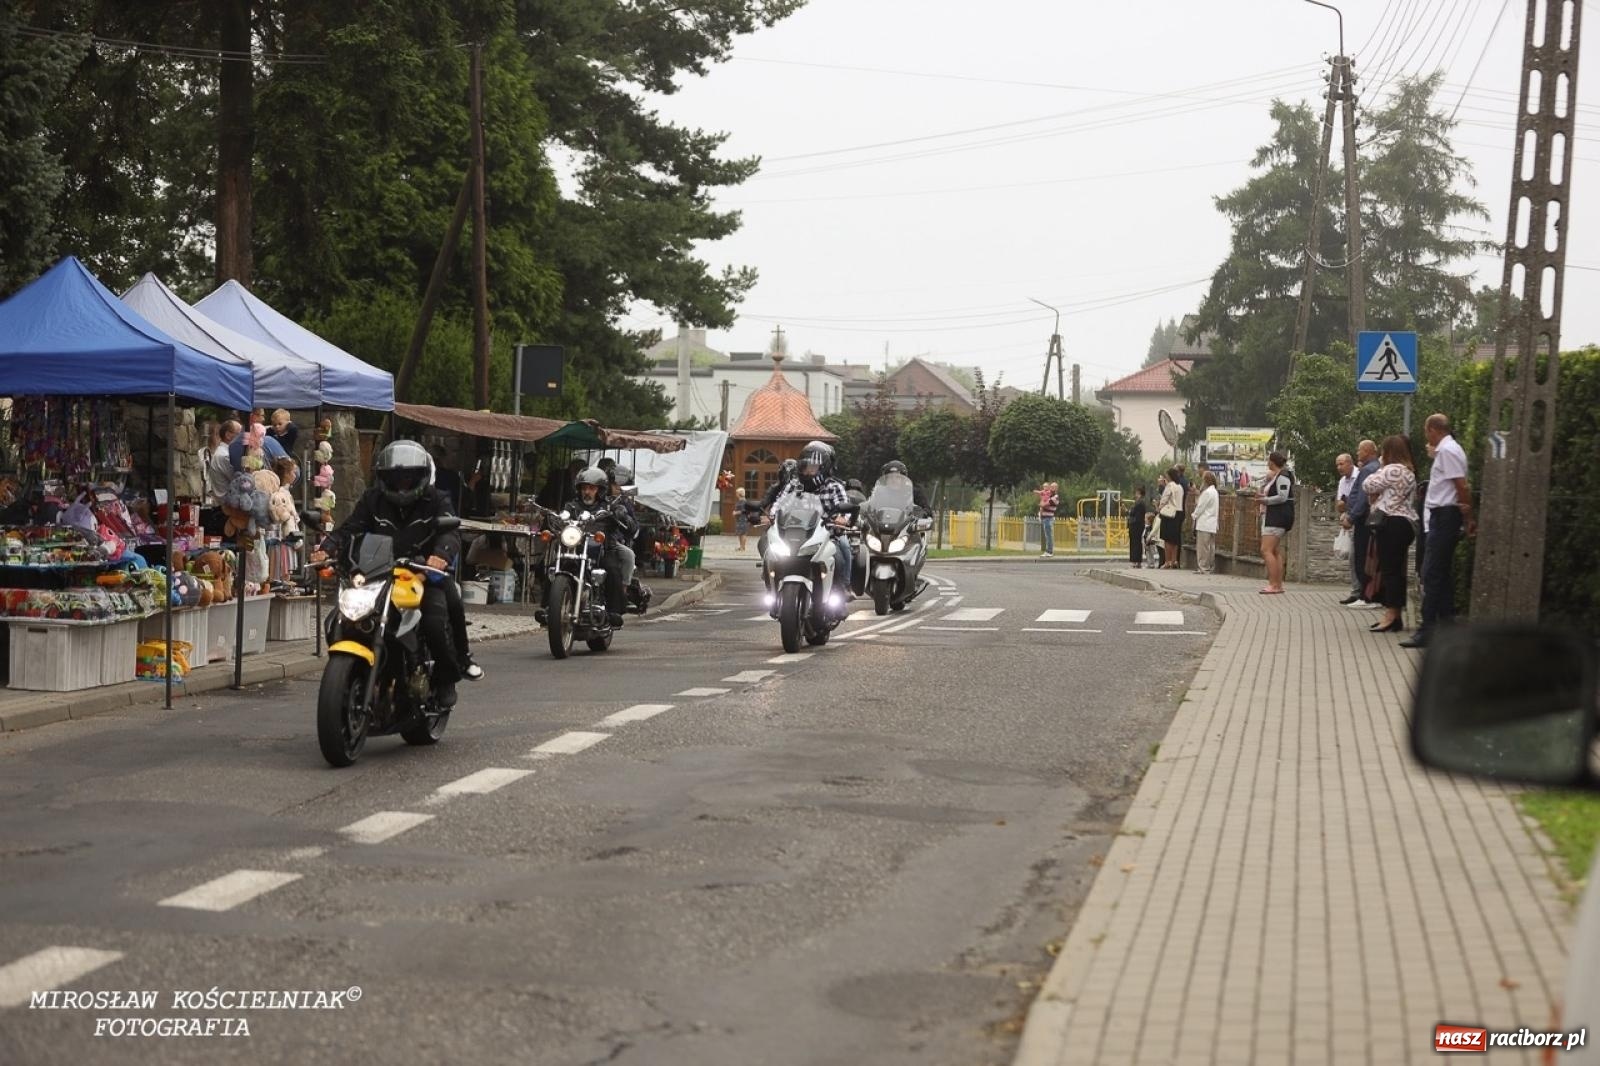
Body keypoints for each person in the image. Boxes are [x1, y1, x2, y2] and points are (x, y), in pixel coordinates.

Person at [312, 441, 475, 708]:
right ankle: (360, 676)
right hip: (377, 575)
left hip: (422, 574)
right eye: (395, 477)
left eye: (408, 477)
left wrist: (441, 555)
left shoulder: (436, 499)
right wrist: (326, 548)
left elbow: (450, 531)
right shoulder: (372, 499)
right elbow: (350, 528)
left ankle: (447, 676)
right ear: (383, 477)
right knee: (339, 619)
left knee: (435, 621)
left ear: (421, 476)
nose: (402, 484)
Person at [1403, 414, 1474, 648]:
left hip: (1445, 516)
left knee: (1431, 572)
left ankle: (1428, 629)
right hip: (1441, 516)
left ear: (1433, 430)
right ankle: (1447, 625)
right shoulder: (1446, 451)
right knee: (1441, 573)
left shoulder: (1448, 451)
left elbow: (1461, 486)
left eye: (1427, 431)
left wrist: (1467, 516)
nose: (1426, 436)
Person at [772, 441, 853, 601]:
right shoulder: (795, 485)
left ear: (824, 467)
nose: (808, 470)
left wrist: (843, 518)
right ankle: (774, 589)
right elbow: (781, 502)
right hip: (798, 532)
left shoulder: (834, 486)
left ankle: (842, 588)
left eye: (813, 467)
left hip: (828, 532)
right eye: (805, 466)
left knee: (843, 549)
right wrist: (772, 514)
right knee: (772, 551)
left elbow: (845, 507)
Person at [555, 467, 633, 627]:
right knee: (553, 568)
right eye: (584, 488)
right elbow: (560, 519)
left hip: (602, 549)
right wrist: (554, 521)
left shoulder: (609, 506)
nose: (587, 492)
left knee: (612, 569)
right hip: (576, 548)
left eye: (591, 488)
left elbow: (632, 528)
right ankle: (550, 608)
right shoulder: (572, 506)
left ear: (600, 490)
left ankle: (614, 611)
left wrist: (621, 515)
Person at [1362, 434, 1419, 635]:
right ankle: (1396, 615)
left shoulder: (1392, 470)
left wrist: (1379, 465)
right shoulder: (1410, 472)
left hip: (1391, 522)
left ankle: (1391, 614)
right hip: (1405, 523)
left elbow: (1367, 484)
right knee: (1397, 570)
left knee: (1390, 571)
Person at [1341, 440, 1380, 608]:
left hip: (1364, 520)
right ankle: (1367, 594)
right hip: (1368, 518)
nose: (1357, 453)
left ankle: (1365, 595)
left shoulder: (1368, 470)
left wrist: (1352, 517)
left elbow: (1363, 497)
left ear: (1368, 451)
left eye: (1359, 450)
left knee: (1361, 557)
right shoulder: (1375, 467)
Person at [1255, 451, 1294, 594]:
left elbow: (1283, 496)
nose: (1267, 462)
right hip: (1274, 516)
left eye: (1268, 460)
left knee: (1266, 550)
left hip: (1276, 517)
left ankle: (1273, 584)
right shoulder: (1278, 476)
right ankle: (1278, 584)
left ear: (1272, 462)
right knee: (1275, 551)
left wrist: (1264, 500)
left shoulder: (1283, 476)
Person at [203, 420, 242, 537]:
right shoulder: (223, 456)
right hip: (227, 510)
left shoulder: (226, 453)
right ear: (228, 435)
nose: (241, 438)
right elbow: (237, 479)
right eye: (238, 434)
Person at [1192, 472, 1220, 574]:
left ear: (1206, 481)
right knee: (1210, 547)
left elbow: (1200, 507)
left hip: (1204, 523)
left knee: (1203, 547)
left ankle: (1203, 567)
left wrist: (1194, 515)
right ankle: (1210, 566)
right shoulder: (1215, 492)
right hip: (1212, 524)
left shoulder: (1207, 492)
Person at [1157, 468, 1183, 569]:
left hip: (1169, 514)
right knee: (1175, 539)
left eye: (1166, 475)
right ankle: (1174, 560)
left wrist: (1159, 508)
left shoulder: (1170, 486)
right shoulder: (1179, 486)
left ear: (1170, 476)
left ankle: (1167, 561)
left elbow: (1164, 499)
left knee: (1167, 539)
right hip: (1179, 512)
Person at [430, 444, 464, 515]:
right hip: (446, 516)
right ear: (442, 459)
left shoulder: (422, 475)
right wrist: (473, 480)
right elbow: (465, 497)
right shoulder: (451, 476)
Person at [1035, 480, 1059, 558]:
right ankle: (1048, 551)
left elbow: (1045, 504)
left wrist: (1042, 504)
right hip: (1045, 517)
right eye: (1051, 486)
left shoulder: (1055, 497)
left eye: (1053, 487)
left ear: (1056, 488)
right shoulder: (1049, 495)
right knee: (1047, 535)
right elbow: (1043, 501)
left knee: (1049, 535)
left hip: (1048, 518)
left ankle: (1049, 551)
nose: (1051, 488)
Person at [1126, 485, 1149, 566]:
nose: (1135, 494)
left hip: (1136, 525)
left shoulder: (1139, 503)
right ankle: (1137, 560)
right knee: (1137, 543)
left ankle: (1135, 560)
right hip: (1138, 524)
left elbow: (1133, 513)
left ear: (1139, 493)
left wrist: (1128, 511)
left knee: (1135, 543)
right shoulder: (1140, 502)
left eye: (1136, 492)